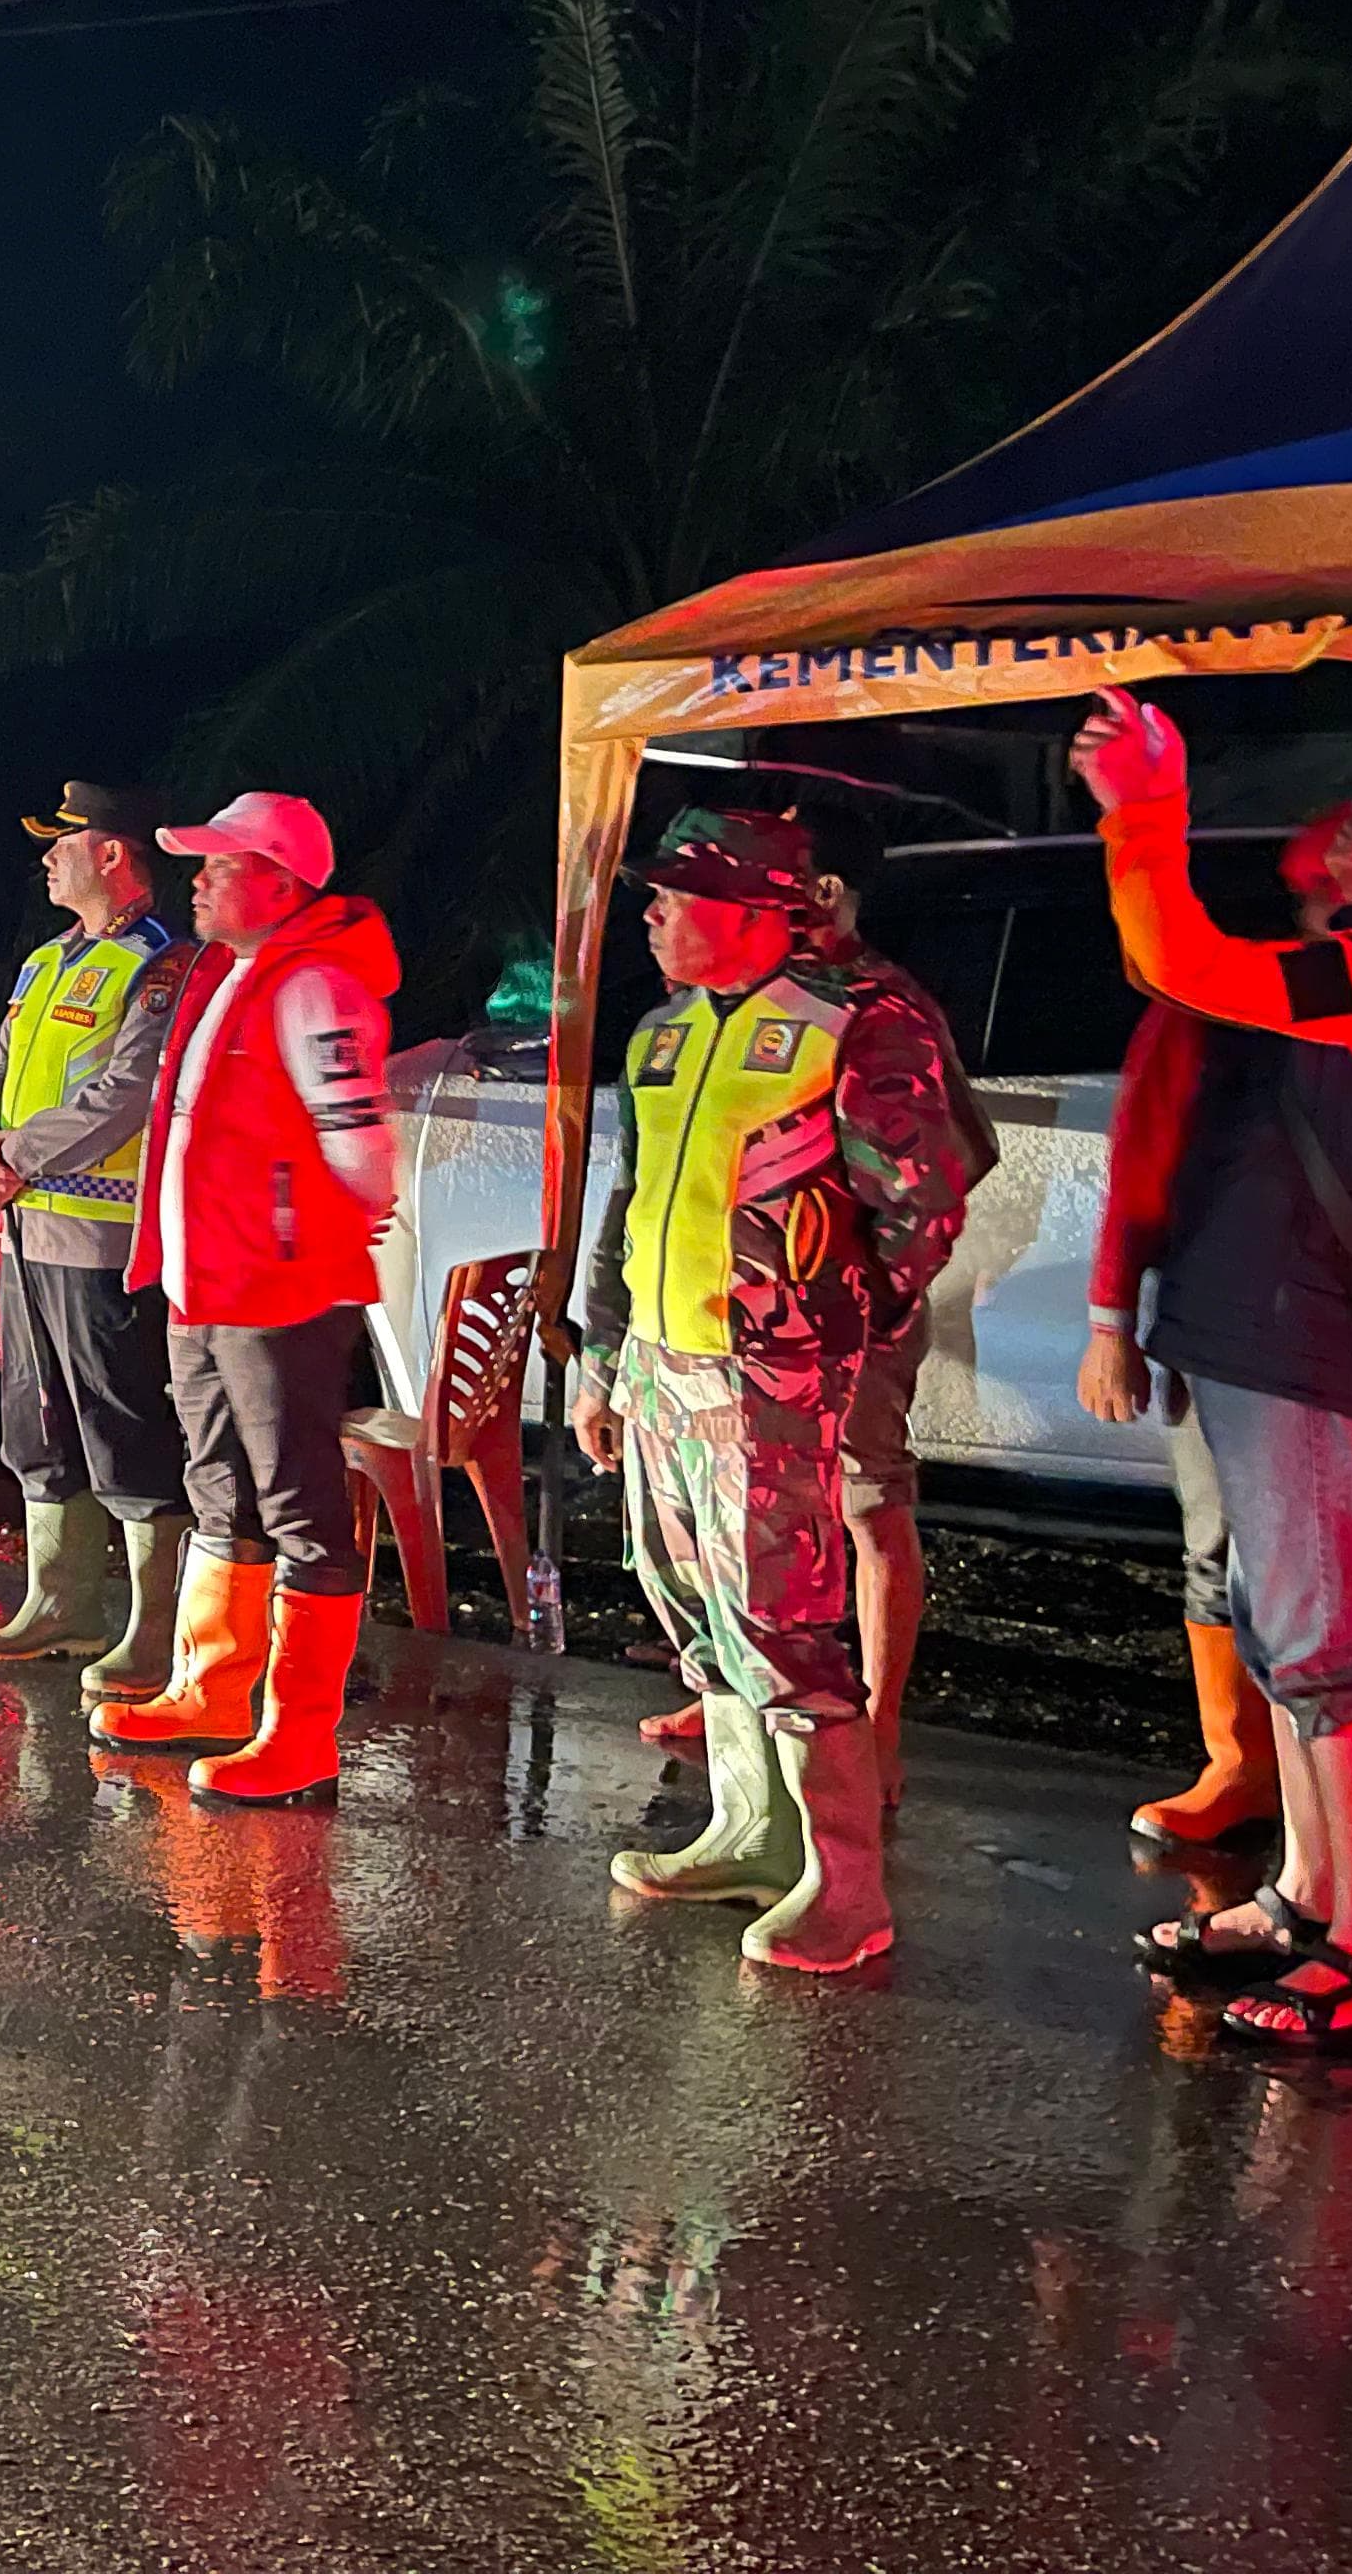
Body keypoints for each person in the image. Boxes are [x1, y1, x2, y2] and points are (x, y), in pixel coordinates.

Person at [567, 809, 973, 1974]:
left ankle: (847, 1888)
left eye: (676, 895)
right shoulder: (659, 1035)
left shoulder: (854, 1026)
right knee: (689, 1600)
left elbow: (920, 1206)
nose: (650, 912)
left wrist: (835, 1332)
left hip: (768, 1376)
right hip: (660, 1364)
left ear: (752, 911)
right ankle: (750, 1834)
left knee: (783, 1617)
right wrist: (603, 1361)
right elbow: (631, 1202)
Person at [1074, 689, 1352, 2054]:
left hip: (1316, 1349)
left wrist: (1147, 814)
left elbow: (1183, 963)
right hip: (1262, 1338)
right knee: (1287, 1642)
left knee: (1333, 1651)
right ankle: (1309, 1896)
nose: (1351, 827)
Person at [633, 804, 1000, 1802]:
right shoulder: (713, 1013)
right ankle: (744, 1716)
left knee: (863, 1498)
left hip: (828, 1311)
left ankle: (868, 1728)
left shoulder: (873, 1005)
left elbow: (941, 1168)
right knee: (730, 1526)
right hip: (727, 1329)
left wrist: (858, 1300)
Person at [89, 792, 397, 1808]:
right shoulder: (236, 971)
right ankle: (212, 1692)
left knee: (301, 1500)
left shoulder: (316, 987)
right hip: (207, 1282)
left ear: (279, 882)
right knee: (220, 1482)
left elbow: (361, 1147)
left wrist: (305, 1232)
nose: (201, 880)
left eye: (221, 864)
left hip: (274, 1288)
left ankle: (299, 1735)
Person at [1077, 811, 1349, 1850]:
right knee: (1227, 1551)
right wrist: (1114, 1319)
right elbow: (1145, 1151)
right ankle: (1245, 1769)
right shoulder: (1230, 997)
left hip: (1350, 1333)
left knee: (1347, 1573)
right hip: (1230, 1324)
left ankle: (1339, 1811)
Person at [0, 783, 196, 1684]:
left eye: (65, 842)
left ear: (112, 854)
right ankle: (60, 1604)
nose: (47, 858)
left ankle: (153, 1628)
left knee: (120, 1422)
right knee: (38, 1419)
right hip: (23, 1227)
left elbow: (127, 1092)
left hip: (102, 1235)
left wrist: (10, 1150)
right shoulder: (46, 961)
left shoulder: (161, 965)